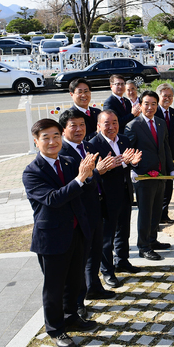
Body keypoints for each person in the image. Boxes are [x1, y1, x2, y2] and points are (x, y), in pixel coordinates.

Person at [22, 118, 98, 347]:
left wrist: (90, 175)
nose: (53, 141)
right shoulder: (32, 172)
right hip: (52, 238)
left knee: (75, 281)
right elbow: (53, 199)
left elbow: (82, 190)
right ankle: (55, 329)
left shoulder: (67, 161)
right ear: (36, 142)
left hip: (76, 231)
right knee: (54, 287)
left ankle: (72, 317)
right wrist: (81, 177)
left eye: (56, 136)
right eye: (46, 137)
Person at [58, 110, 117, 310]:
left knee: (95, 250)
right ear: (64, 129)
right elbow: (77, 184)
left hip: (96, 205)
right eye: (73, 125)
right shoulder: (63, 153)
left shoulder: (90, 146)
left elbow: (100, 174)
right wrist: (98, 172)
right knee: (80, 258)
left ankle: (94, 287)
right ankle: (78, 303)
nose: (79, 129)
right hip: (78, 210)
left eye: (82, 125)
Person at [125, 91, 174, 261]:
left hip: (161, 175)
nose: (150, 107)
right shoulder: (133, 125)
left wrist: (171, 169)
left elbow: (165, 148)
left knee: (157, 210)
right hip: (144, 176)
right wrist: (132, 168)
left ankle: (152, 240)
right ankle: (143, 246)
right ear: (140, 105)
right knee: (145, 212)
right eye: (146, 104)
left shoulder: (160, 123)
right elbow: (129, 151)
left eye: (153, 104)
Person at [90, 111, 143, 282]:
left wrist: (132, 163)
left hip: (125, 193)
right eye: (107, 123)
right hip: (106, 197)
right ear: (99, 126)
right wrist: (121, 163)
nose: (111, 127)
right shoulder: (93, 145)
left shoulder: (124, 140)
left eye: (115, 122)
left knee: (124, 231)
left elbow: (127, 165)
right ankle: (107, 271)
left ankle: (122, 261)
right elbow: (96, 173)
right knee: (107, 237)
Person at [155, 83, 174, 225]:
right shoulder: (153, 113)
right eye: (164, 96)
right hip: (157, 158)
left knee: (168, 187)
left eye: (170, 96)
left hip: (170, 157)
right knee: (158, 188)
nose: (167, 98)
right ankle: (156, 218)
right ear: (158, 97)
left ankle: (164, 215)